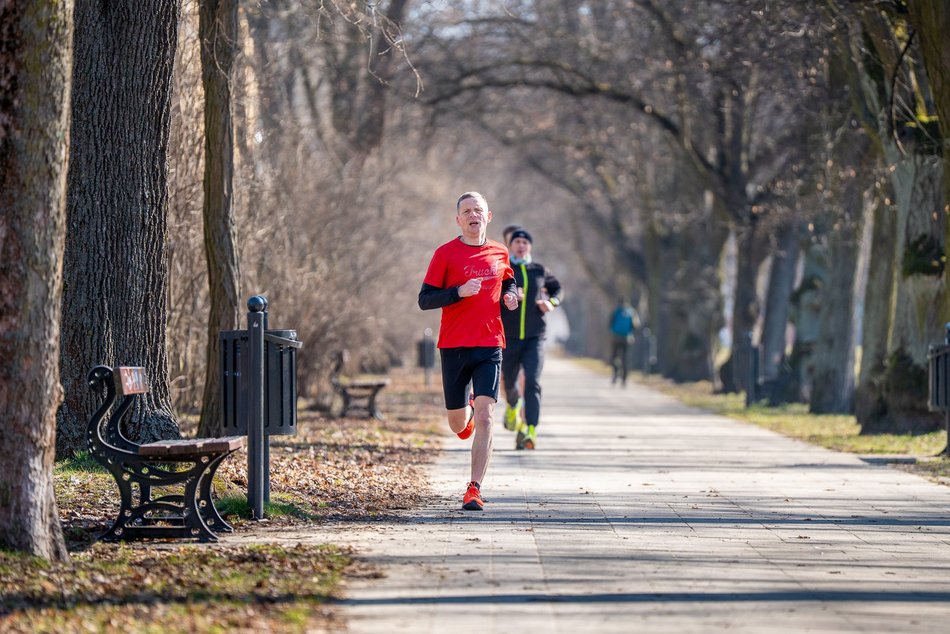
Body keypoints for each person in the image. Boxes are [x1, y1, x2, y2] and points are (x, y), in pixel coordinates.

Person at [418, 191, 519, 511]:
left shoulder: (501, 252)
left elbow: (508, 281)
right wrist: (457, 292)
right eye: (466, 211)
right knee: (458, 426)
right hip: (454, 346)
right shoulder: (445, 254)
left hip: (490, 344)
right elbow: (425, 299)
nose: (473, 215)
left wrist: (511, 296)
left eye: (479, 210)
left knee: (489, 418)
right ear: (458, 219)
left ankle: (474, 488)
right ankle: (468, 415)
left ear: (488, 217)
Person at [500, 228, 562, 450]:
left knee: (533, 382)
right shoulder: (504, 269)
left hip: (535, 337)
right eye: (517, 241)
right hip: (509, 336)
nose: (521, 245)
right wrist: (507, 297)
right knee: (509, 382)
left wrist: (551, 303)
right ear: (510, 245)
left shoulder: (539, 270)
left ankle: (530, 431)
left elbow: (558, 290)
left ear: (530, 247)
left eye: (525, 242)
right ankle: (512, 407)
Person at [609, 298, 640, 386]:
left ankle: (615, 374)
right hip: (627, 338)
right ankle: (624, 379)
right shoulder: (632, 312)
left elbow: (610, 323)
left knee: (614, 357)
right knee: (626, 359)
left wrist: (613, 331)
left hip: (616, 338)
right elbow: (636, 325)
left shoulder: (616, 311)